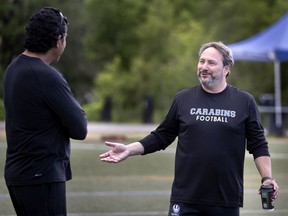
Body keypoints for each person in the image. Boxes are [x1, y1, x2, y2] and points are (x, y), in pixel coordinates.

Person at [99, 41, 280, 216]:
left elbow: (258, 145)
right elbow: (161, 136)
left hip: (225, 199)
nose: (204, 66)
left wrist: (267, 178)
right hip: (185, 198)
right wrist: (128, 150)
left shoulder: (244, 102)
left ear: (227, 69)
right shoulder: (183, 99)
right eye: (201, 61)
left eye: (211, 62)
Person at [3, 7, 87, 216]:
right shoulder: (46, 75)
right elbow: (80, 128)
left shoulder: (14, 68)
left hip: (19, 173)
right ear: (58, 40)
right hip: (40, 174)